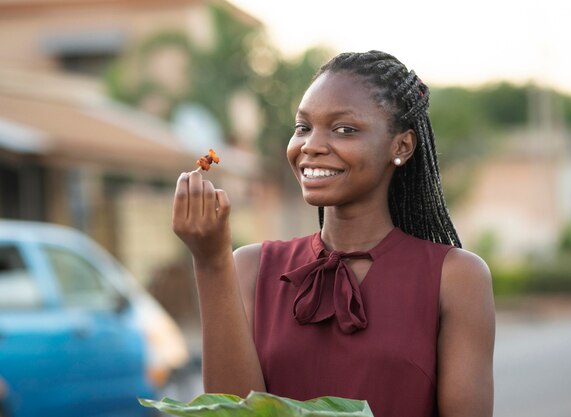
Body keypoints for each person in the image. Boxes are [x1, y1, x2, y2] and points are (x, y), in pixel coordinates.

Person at [172, 50, 495, 417]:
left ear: (401, 146)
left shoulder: (456, 277)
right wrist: (210, 263)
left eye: (344, 129)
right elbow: (233, 412)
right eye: (303, 127)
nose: (311, 145)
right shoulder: (250, 267)